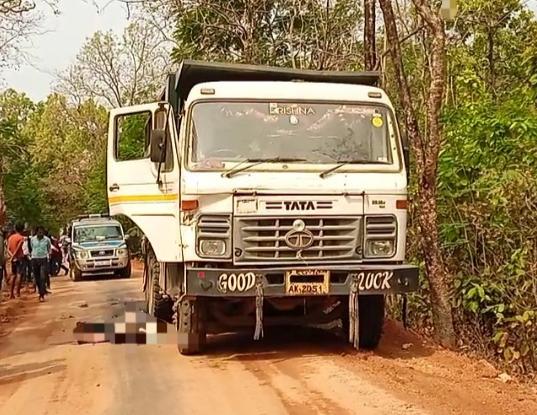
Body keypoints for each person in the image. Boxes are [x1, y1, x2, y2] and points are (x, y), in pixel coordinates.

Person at [30, 227, 51, 302]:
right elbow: (31, 248)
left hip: (43, 259)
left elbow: (49, 249)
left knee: (42, 277)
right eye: (39, 232)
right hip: (34, 259)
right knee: (37, 277)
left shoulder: (47, 240)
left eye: (42, 232)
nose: (40, 233)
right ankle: (41, 291)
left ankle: (41, 295)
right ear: (36, 232)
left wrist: (48, 257)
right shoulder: (32, 239)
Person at [7, 223, 25, 299]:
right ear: (22, 229)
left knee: (13, 275)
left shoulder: (10, 238)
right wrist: (14, 256)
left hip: (13, 258)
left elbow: (7, 249)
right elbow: (18, 248)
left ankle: (11, 294)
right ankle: (17, 292)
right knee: (19, 274)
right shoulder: (21, 238)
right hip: (19, 258)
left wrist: (11, 256)